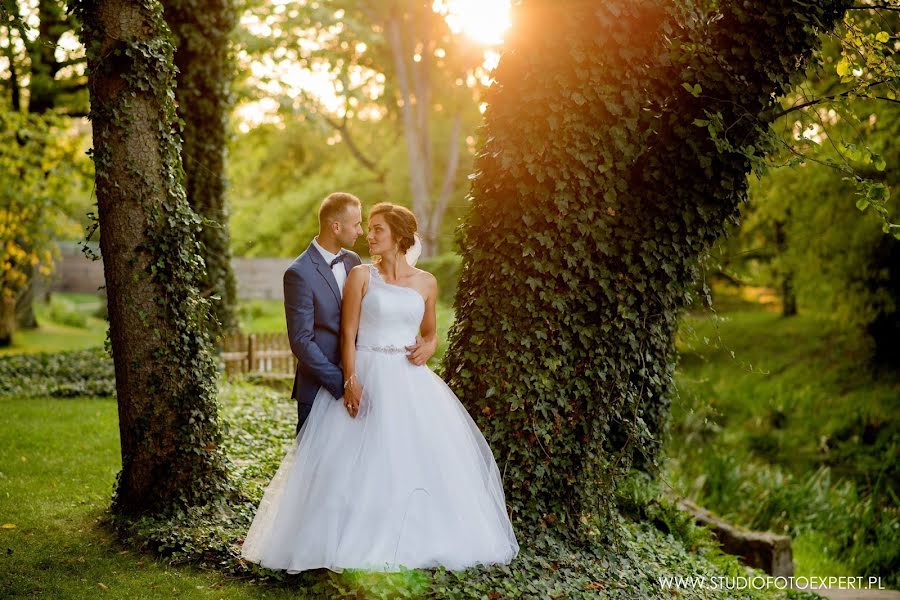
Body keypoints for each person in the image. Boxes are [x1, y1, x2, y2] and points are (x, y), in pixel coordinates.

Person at [241, 202, 519, 573]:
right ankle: (342, 537)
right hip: (366, 370)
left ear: (399, 237)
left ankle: (413, 536)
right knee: (352, 461)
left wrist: (430, 345)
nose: (368, 236)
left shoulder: (427, 282)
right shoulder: (360, 274)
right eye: (367, 228)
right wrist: (350, 381)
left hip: (410, 381)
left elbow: (431, 331)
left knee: (409, 457)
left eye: (377, 230)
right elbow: (349, 334)